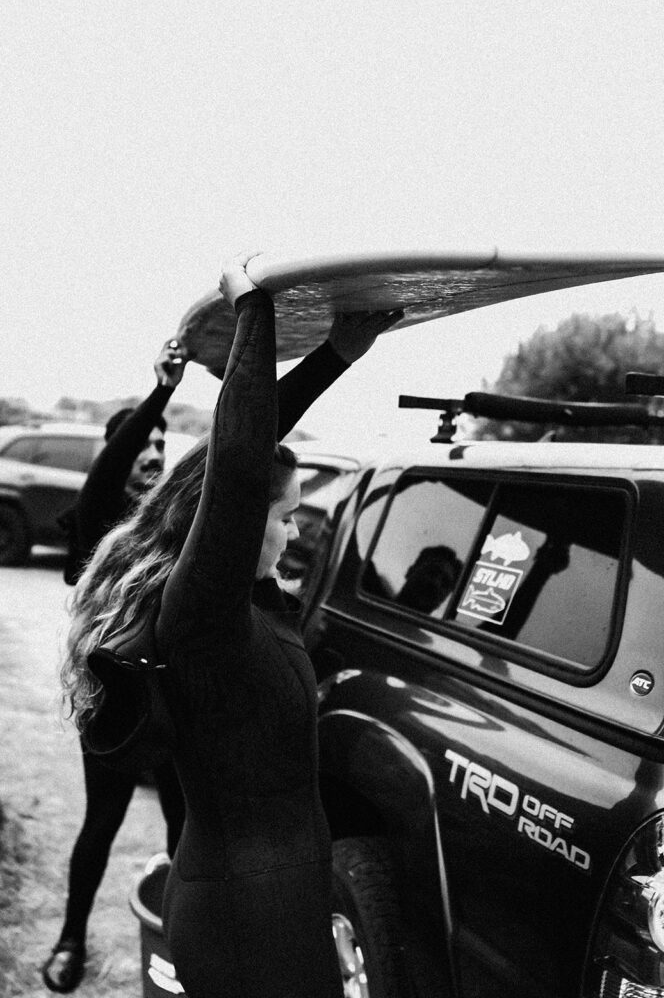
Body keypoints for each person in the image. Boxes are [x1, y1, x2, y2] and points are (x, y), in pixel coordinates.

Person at [59, 254, 402, 997]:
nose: (298, 529)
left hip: (277, 908)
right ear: (241, 525)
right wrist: (255, 311)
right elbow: (239, 465)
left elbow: (237, 461)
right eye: (285, 516)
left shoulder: (254, 603)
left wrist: (336, 357)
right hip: (245, 923)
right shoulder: (202, 619)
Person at [43, 340, 190, 993]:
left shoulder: (174, 524)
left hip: (177, 702)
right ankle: (72, 938)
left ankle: (186, 941)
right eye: (141, 445)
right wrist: (160, 391)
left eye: (162, 445)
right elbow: (110, 469)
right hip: (113, 707)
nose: (153, 454)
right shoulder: (97, 522)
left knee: (187, 825)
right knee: (100, 825)